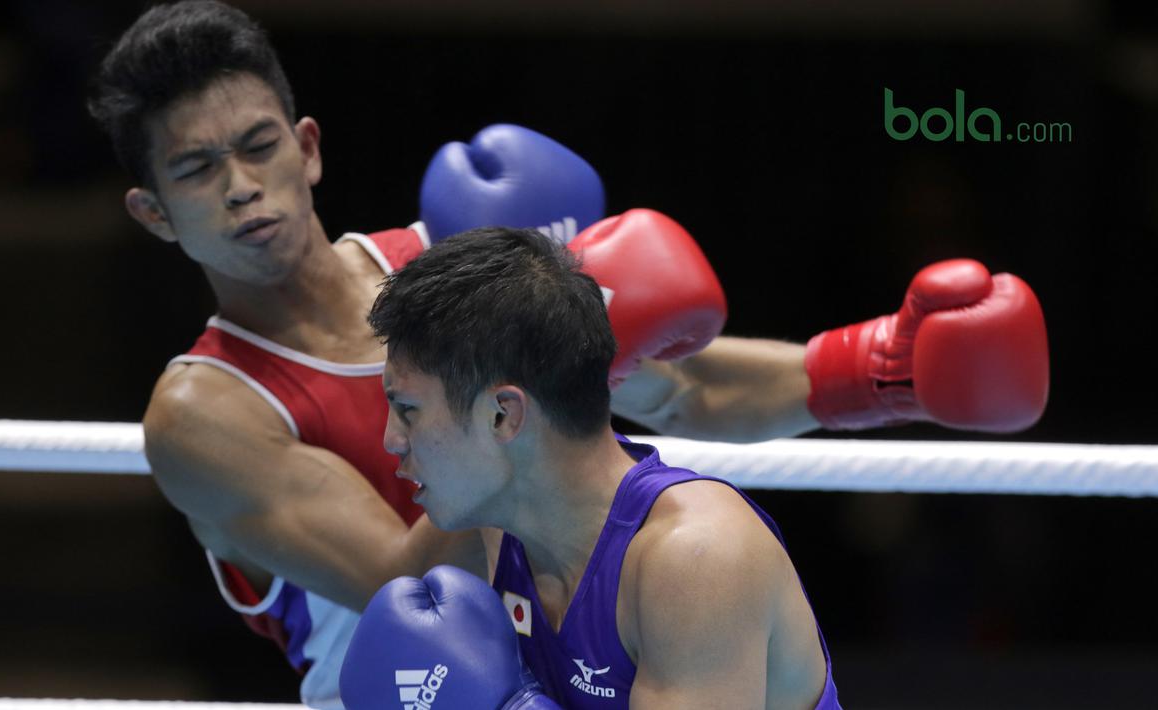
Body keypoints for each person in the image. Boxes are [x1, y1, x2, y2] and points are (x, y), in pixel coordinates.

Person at [86, 1, 1048, 706]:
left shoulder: (448, 264)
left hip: (572, 645)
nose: (243, 187)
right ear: (153, 212)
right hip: (406, 687)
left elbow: (678, 386)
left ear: (308, 148)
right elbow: (403, 588)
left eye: (257, 147)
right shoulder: (207, 410)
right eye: (196, 168)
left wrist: (880, 372)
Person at [340, 227, 839, 709]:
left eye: (408, 409)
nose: (392, 440)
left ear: (503, 414)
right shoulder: (492, 518)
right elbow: (390, 598)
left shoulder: (695, 559)